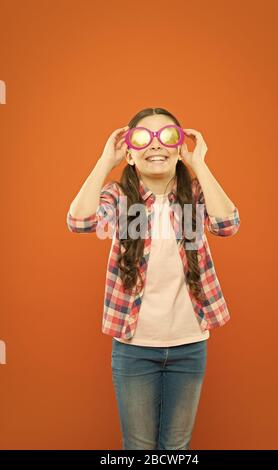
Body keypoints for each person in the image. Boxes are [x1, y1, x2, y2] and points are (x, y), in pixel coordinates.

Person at [66, 107, 240, 450]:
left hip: (190, 345)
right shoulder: (119, 198)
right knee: (139, 445)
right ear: (129, 153)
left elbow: (227, 225)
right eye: (143, 138)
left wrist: (200, 165)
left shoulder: (193, 195)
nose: (156, 145)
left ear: (179, 149)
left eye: (168, 136)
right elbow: (79, 221)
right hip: (134, 349)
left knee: (176, 446)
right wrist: (105, 161)